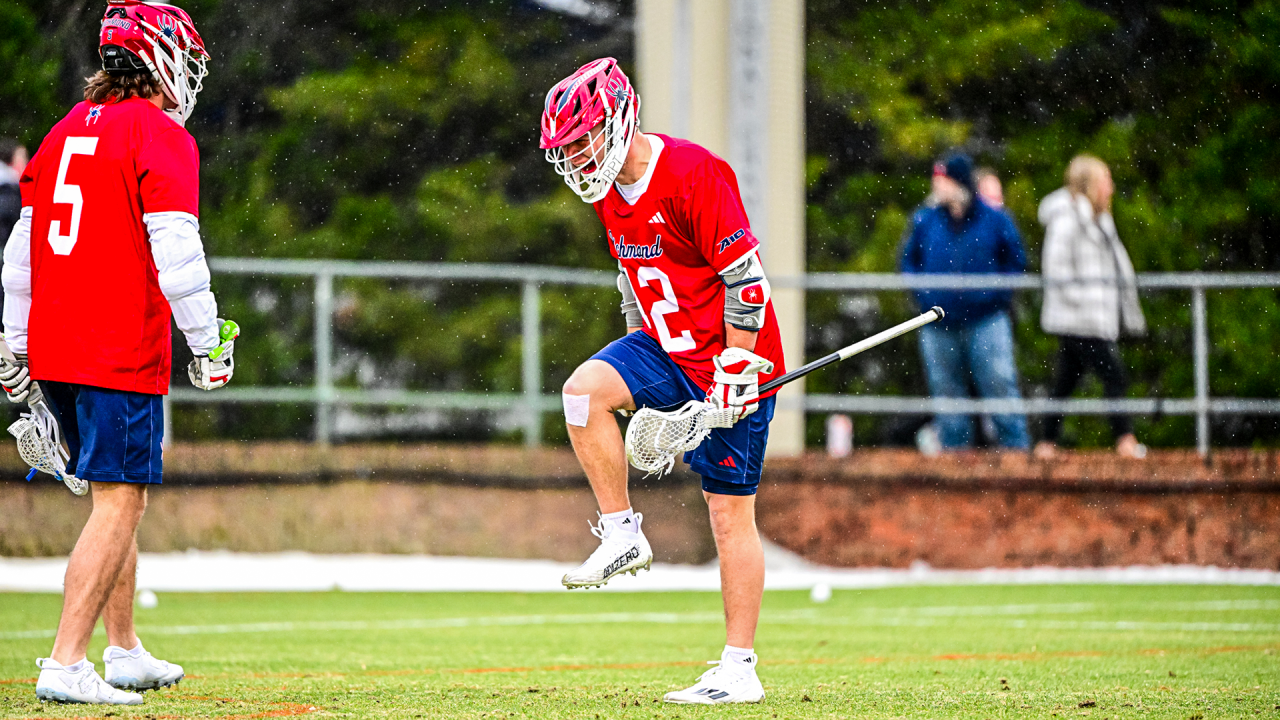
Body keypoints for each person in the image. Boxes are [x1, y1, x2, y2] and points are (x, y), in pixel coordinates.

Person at [0, 0, 236, 706]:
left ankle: (124, 648)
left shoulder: (66, 128)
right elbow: (178, 254)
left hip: (55, 346)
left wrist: (12, 342)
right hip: (116, 347)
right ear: (160, 59)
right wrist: (207, 342)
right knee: (120, 501)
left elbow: (20, 257)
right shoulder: (158, 135)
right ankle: (67, 661)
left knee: (112, 499)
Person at [541, 58, 786, 705]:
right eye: (566, 148)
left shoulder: (691, 174)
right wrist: (637, 368)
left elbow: (748, 280)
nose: (576, 157)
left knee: (728, 512)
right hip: (666, 347)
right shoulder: (609, 195)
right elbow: (633, 281)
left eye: (582, 140)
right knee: (580, 394)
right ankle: (622, 534)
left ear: (619, 120)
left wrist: (735, 368)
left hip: (736, 357)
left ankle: (739, 669)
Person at [900, 152, 1030, 450]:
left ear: (959, 183)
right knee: (947, 397)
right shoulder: (925, 220)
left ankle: (1016, 458)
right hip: (938, 323)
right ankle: (954, 465)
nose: (936, 186)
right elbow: (908, 262)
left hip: (986, 321)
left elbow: (1015, 261)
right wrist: (924, 298)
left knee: (999, 388)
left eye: (942, 180)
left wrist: (997, 298)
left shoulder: (995, 220)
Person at [1034, 155, 1147, 459]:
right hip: (1081, 319)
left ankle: (1046, 443)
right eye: (1105, 180)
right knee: (1113, 375)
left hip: (1092, 317)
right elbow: (1055, 269)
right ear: (1090, 184)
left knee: (1065, 382)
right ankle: (1125, 438)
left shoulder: (1099, 221)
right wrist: (1082, 302)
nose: (1110, 187)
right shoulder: (1067, 220)